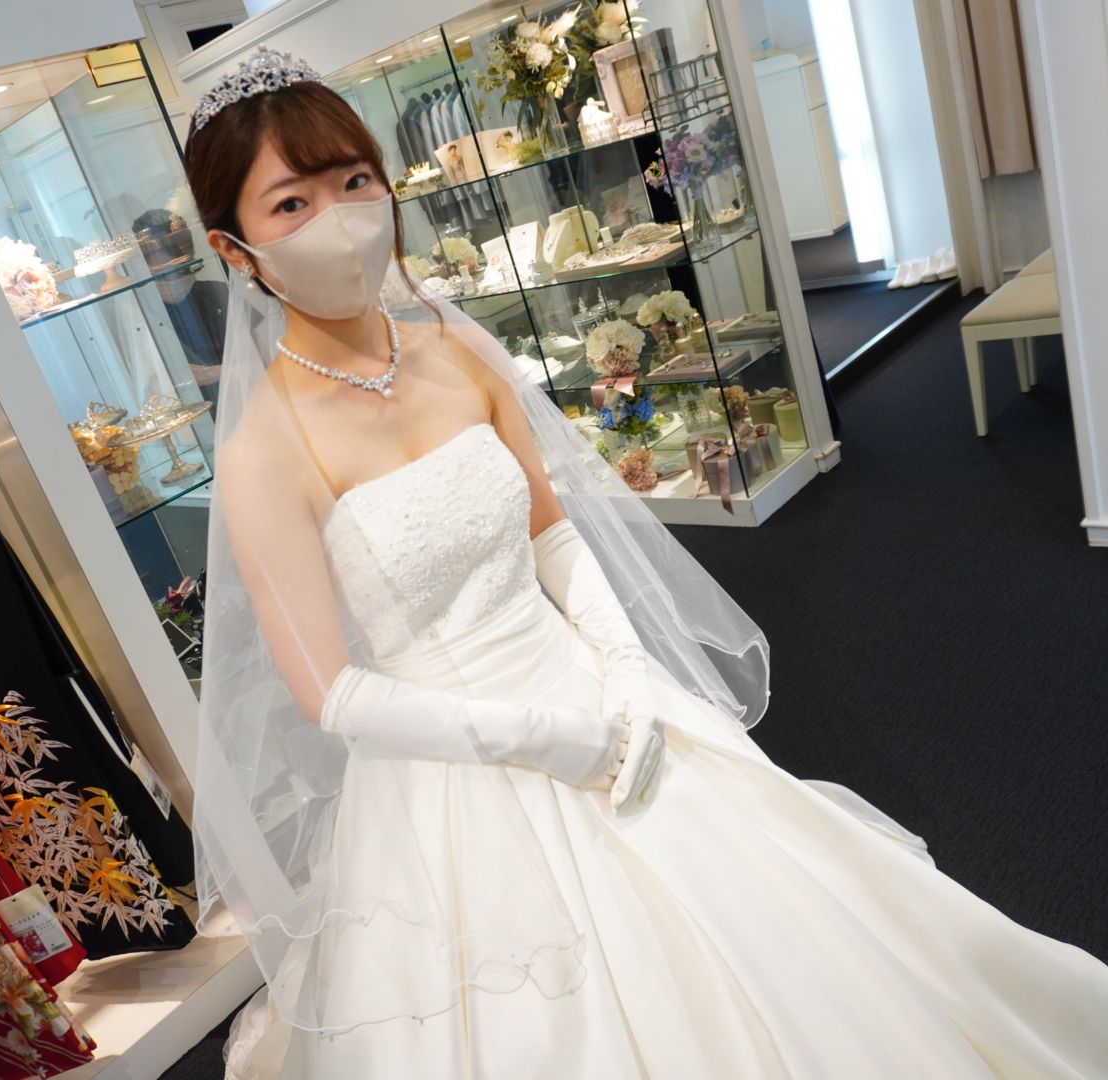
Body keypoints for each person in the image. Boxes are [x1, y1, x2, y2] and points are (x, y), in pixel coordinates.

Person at [187, 48, 1108, 1078]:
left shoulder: (453, 347)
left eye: (355, 180)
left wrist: (622, 668)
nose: (340, 217)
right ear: (235, 249)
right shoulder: (264, 452)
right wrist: (545, 739)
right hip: (456, 771)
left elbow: (550, 533)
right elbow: (333, 693)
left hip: (592, 687)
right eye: (292, 202)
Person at [132, 208, 228, 408]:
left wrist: (215, 372)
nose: (163, 261)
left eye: (169, 248)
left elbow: (258, 357)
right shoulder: (143, 313)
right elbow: (151, 383)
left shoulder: (218, 292)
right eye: (151, 253)